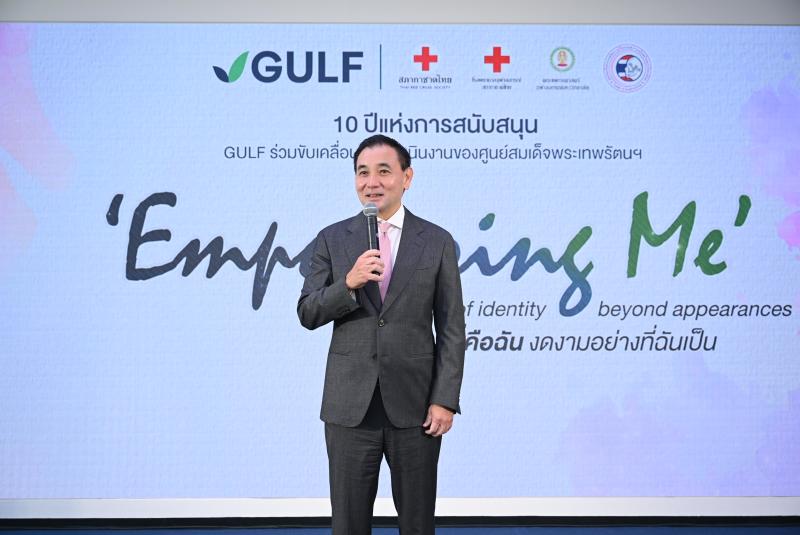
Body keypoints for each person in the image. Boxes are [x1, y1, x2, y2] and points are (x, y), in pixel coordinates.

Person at [297, 135, 466, 535]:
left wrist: (444, 399)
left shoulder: (437, 241)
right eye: (362, 173)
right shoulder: (332, 238)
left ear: (407, 177)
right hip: (349, 409)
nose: (371, 182)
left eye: (383, 171)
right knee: (349, 525)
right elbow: (308, 311)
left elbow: (451, 327)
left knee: (417, 524)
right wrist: (349, 283)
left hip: (416, 408)